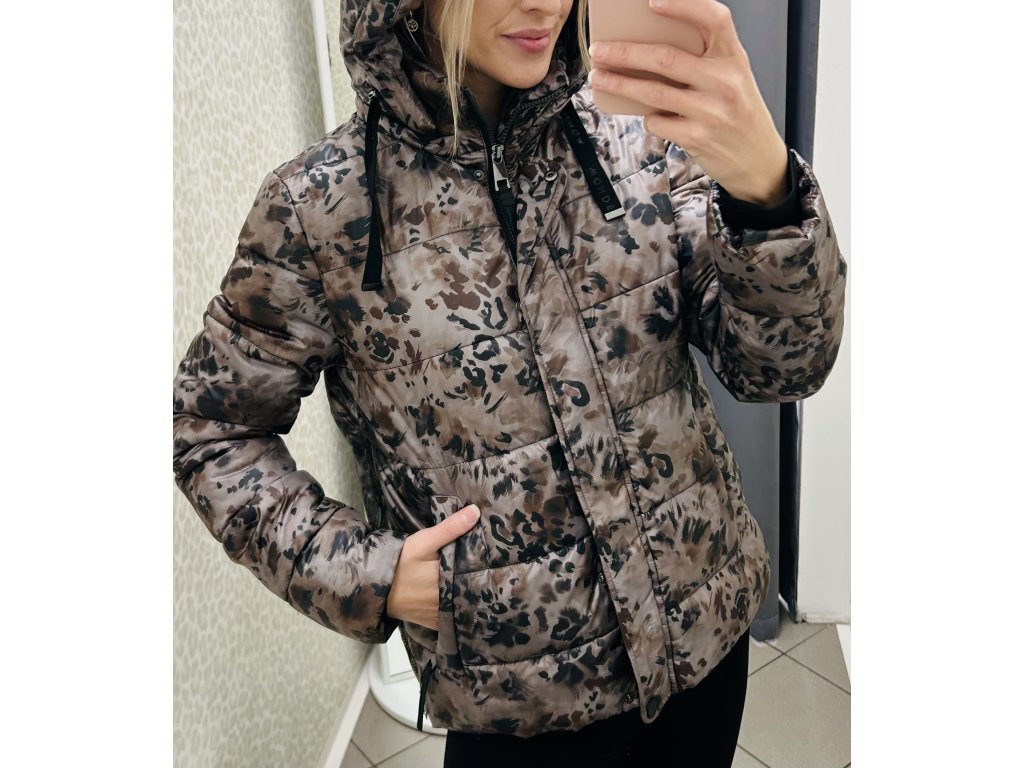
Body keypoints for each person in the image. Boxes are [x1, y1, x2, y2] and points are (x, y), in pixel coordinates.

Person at [172, 0, 846, 766]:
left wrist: (767, 195)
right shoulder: (320, 207)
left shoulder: (639, 136)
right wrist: (370, 574)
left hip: (704, 641)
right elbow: (210, 431)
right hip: (518, 703)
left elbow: (779, 367)